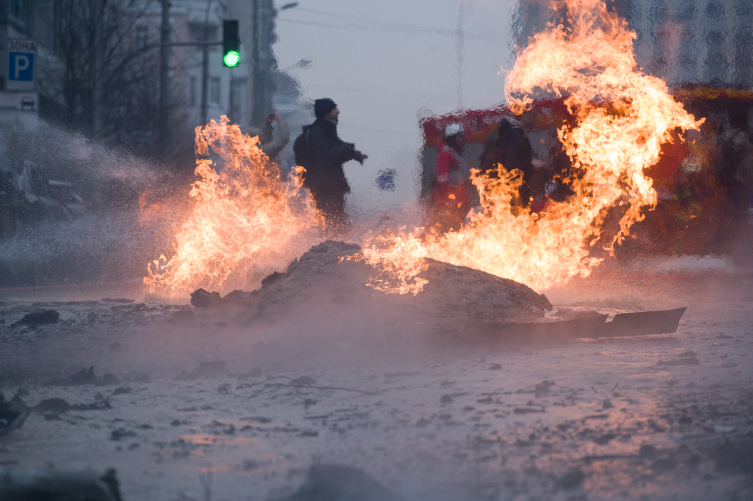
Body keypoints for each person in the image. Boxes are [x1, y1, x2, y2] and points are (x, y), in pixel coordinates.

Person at [298, 98, 367, 232]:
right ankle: (330, 248)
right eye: (334, 109)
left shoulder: (327, 130)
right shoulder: (319, 132)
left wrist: (353, 153)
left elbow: (336, 148)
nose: (338, 111)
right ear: (326, 112)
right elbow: (324, 157)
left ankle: (334, 247)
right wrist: (346, 150)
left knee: (336, 220)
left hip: (330, 185)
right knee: (332, 221)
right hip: (325, 186)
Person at [478, 110, 544, 208]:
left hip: (508, 191)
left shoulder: (514, 133)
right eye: (533, 113)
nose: (535, 116)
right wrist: (532, 164)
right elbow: (510, 163)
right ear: (524, 115)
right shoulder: (511, 135)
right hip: (509, 192)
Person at [430, 123, 471, 232]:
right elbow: (442, 181)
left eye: (462, 137)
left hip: (458, 203)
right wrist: (447, 203)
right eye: (459, 137)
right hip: (450, 205)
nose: (462, 140)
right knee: (450, 234)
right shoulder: (446, 154)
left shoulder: (453, 154)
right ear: (452, 139)